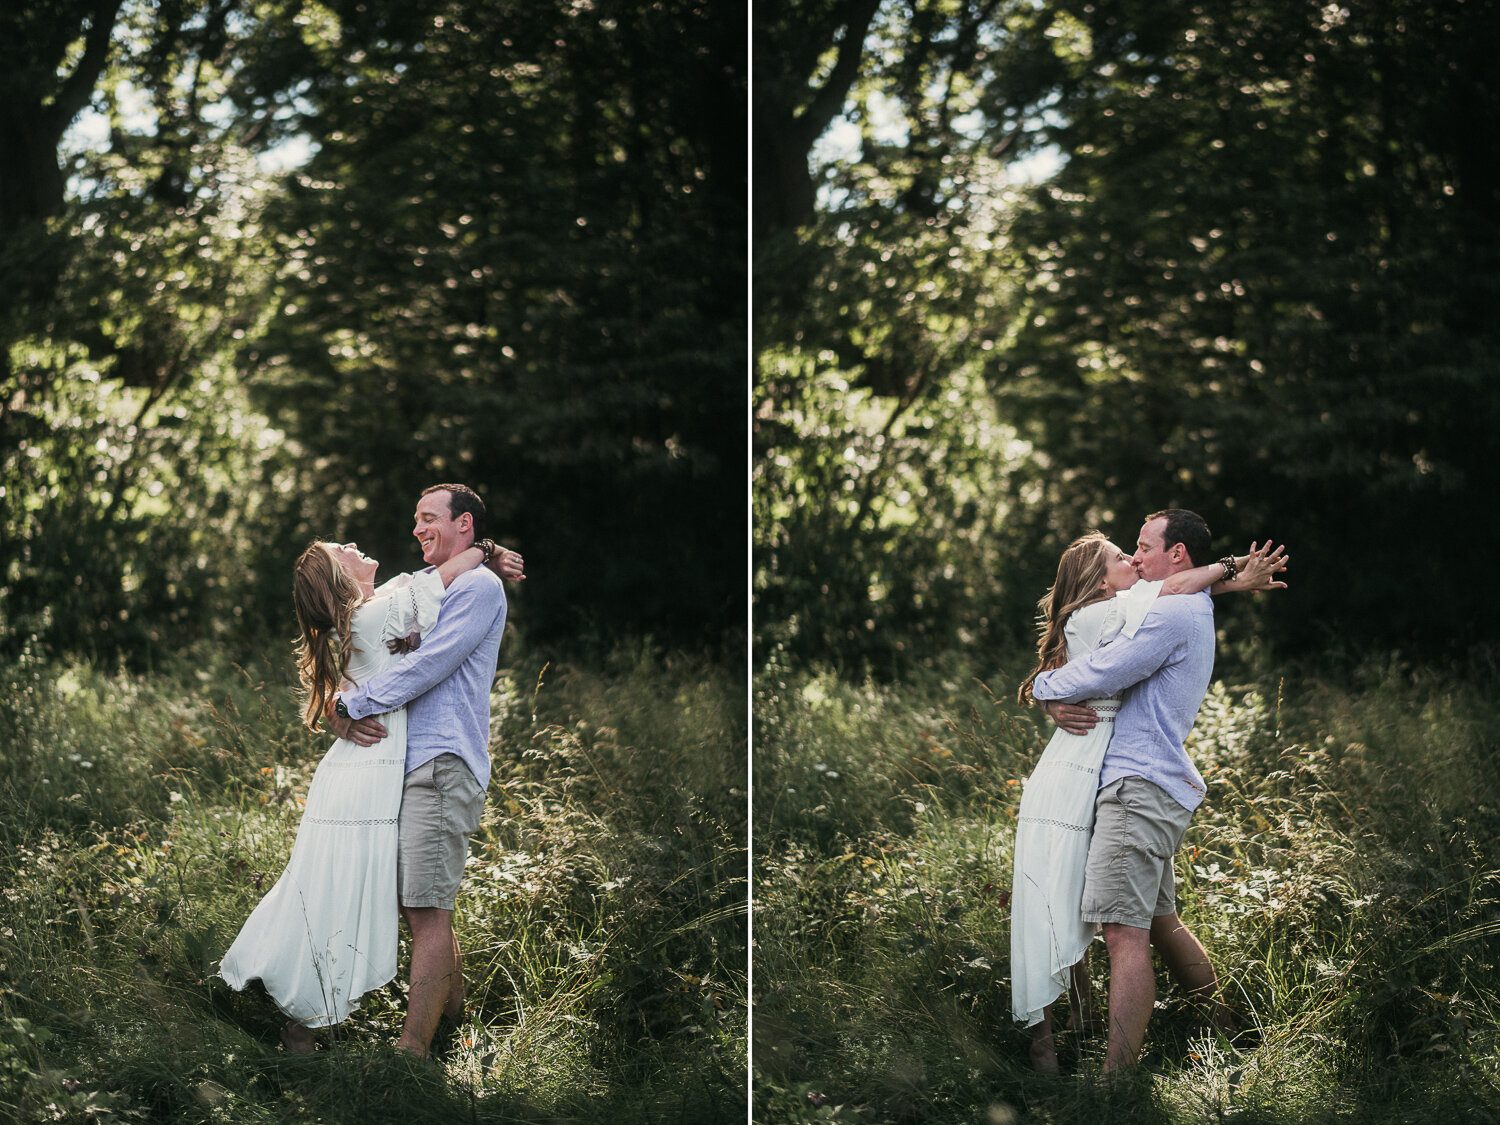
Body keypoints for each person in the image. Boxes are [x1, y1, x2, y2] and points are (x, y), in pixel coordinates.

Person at [219, 533, 520, 1053]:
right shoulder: (374, 615)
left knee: (346, 892)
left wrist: (344, 707)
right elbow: (441, 580)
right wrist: (488, 549)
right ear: (338, 576)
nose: (354, 544)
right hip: (367, 778)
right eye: (342, 549)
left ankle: (443, 1021)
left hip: (362, 774)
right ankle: (307, 1023)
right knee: (352, 895)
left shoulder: (368, 618)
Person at [1011, 531, 1286, 1073]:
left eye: (1139, 548)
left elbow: (1114, 656)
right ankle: (1225, 1029)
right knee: (1149, 920)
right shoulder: (1114, 613)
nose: (1134, 558)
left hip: (1129, 781)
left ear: (1176, 552)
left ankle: (1115, 1078)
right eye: (1121, 555)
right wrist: (1232, 575)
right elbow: (1173, 593)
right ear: (1097, 580)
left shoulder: (1163, 612)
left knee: (1121, 928)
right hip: (1089, 773)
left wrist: (1046, 689)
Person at [328, 483, 511, 1060]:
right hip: (412, 762)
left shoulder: (479, 587)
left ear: (464, 525)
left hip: (441, 760)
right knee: (420, 906)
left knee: (428, 911)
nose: (417, 528)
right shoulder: (436, 587)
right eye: (414, 519)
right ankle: (455, 1023)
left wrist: (351, 707)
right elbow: (382, 646)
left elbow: (432, 664)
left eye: (428, 518)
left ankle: (412, 1051)